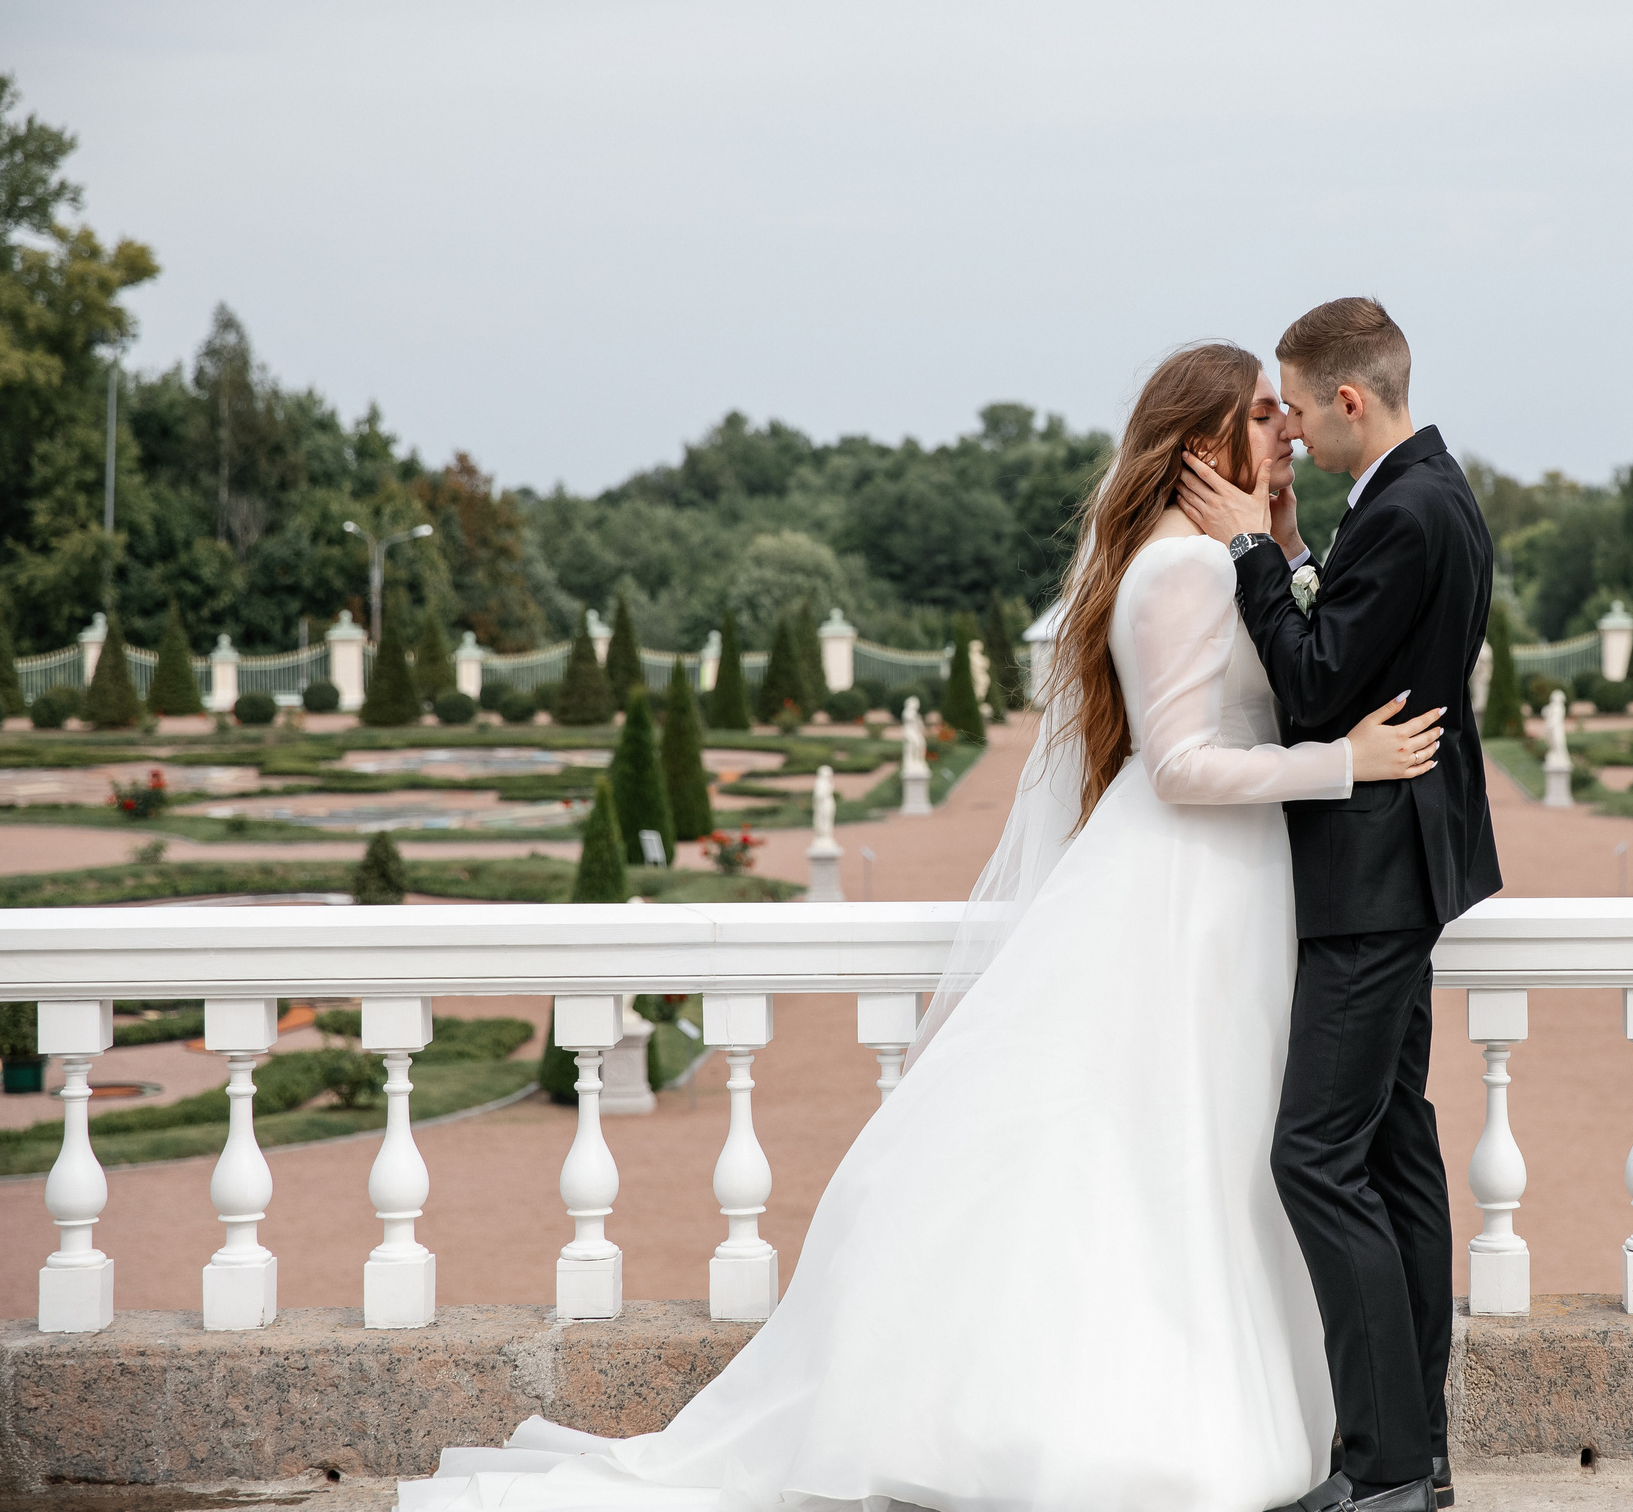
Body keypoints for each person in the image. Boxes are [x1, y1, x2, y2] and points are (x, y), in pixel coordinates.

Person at [398, 342, 1444, 1512]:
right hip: (1186, 885)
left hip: (1233, 892)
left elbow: (1294, 655)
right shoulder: (1176, 572)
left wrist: (1283, 544)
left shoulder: (1216, 557)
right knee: (1162, 1146)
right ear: (1202, 445)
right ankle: (1152, 1417)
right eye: (1261, 418)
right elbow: (1184, 767)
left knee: (1218, 1149)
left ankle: (1290, 1418)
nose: (1284, 432)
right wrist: (1338, 765)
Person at [1179, 296, 1500, 1512]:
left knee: (1312, 1156)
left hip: (1370, 881)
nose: (1291, 436)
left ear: (1349, 401)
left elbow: (1316, 690)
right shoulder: (1433, 493)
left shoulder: (1408, 512)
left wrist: (1254, 557)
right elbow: (1359, 644)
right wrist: (1302, 551)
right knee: (1391, 1151)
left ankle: (1383, 1467)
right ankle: (1413, 1460)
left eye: (1300, 412)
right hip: (1406, 870)